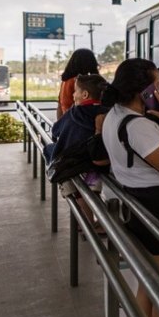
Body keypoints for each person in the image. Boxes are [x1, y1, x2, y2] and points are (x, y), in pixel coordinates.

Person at [101, 58, 159, 317]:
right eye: (158, 85)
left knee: (149, 287)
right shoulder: (139, 127)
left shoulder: (114, 115)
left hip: (138, 201)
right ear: (144, 91)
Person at [48, 73, 110, 236]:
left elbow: (56, 130)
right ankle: (101, 223)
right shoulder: (106, 113)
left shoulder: (73, 113)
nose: (73, 95)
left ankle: (87, 224)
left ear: (85, 95)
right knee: (93, 190)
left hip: (73, 164)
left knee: (77, 193)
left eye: (75, 91)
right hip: (95, 165)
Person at [57, 48, 100, 119]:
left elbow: (59, 106)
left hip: (68, 122)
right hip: (78, 121)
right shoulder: (79, 82)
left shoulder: (65, 81)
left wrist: (59, 125)